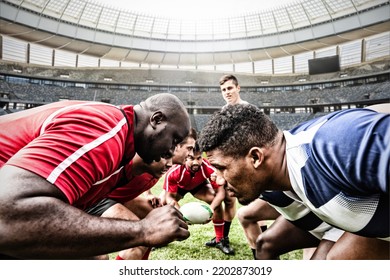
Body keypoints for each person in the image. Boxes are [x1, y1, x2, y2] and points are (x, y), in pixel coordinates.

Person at [0, 93, 191, 259]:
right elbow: (8, 215)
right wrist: (144, 230)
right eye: (174, 140)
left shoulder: (119, 141)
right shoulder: (105, 128)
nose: (172, 151)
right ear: (156, 120)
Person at [198, 103, 390, 259]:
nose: (219, 180)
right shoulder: (276, 174)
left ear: (256, 157)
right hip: (353, 222)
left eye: (221, 168)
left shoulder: (336, 146)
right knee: (266, 245)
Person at [204, 74, 249, 254]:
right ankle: (223, 239)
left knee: (253, 202)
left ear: (238, 88)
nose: (227, 92)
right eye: (223, 90)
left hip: (246, 163)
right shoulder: (223, 112)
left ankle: (263, 240)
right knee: (229, 200)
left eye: (230, 88)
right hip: (228, 164)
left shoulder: (248, 110)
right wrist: (217, 167)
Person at [162, 143, 232, 254]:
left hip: (198, 186)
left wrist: (211, 210)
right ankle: (162, 238)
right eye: (191, 158)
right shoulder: (174, 171)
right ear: (185, 157)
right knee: (162, 204)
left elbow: (220, 194)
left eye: (199, 158)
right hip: (179, 187)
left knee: (216, 201)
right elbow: (170, 197)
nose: (196, 162)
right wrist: (181, 214)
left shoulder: (207, 167)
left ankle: (220, 240)